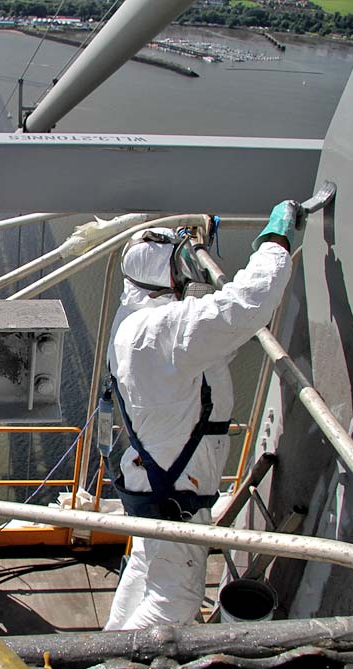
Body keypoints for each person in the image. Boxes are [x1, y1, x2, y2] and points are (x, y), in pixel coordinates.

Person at [104, 201, 298, 630]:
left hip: (153, 479)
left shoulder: (133, 320)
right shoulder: (161, 332)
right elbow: (248, 305)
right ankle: (115, 667)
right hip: (175, 491)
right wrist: (275, 241)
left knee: (143, 570)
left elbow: (207, 339)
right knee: (174, 599)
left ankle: (103, 643)